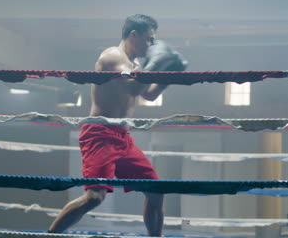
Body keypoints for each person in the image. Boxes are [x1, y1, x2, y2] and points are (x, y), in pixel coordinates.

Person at [48, 14, 186, 237]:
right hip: (100, 135)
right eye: (148, 39)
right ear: (134, 34)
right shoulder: (112, 57)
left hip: (123, 138)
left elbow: (148, 95)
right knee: (94, 198)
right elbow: (133, 87)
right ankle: (48, 235)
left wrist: (169, 77)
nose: (150, 45)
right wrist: (157, 64)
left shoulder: (137, 64)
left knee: (156, 190)